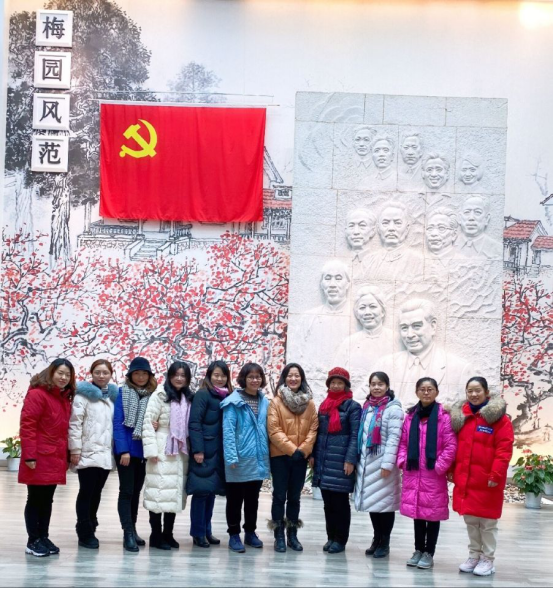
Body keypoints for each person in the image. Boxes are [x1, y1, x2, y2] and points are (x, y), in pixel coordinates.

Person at [450, 377, 514, 577]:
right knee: (471, 520)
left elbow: (504, 450)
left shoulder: (499, 419)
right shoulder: (462, 417)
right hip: (466, 479)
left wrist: (496, 473)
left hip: (487, 480)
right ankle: (474, 555)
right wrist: (452, 469)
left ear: (486, 392)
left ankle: (488, 558)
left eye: (478, 390)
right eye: (470, 391)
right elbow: (454, 446)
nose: (474, 394)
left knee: (487, 523)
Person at [397, 377, 457, 570]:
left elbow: (450, 446)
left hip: (433, 474)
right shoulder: (410, 416)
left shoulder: (444, 417)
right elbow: (403, 443)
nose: (426, 392)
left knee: (432, 514)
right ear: (416, 392)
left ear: (436, 392)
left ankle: (429, 552)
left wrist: (439, 466)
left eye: (430, 389)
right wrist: (403, 461)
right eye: (422, 389)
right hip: (414, 472)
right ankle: (418, 550)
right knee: (418, 513)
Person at [19, 359, 76, 557]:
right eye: (60, 373)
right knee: (35, 498)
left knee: (47, 499)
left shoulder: (63, 397)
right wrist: (29, 455)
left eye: (67, 375)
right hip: (38, 456)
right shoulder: (37, 394)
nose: (63, 377)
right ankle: (32, 540)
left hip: (55, 456)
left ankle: (43, 536)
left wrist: (66, 455)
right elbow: (28, 425)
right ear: (51, 373)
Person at [379, 298, 474, 405]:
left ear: (433, 326)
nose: (409, 335)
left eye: (416, 326)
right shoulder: (384, 365)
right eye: (404, 328)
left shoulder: (460, 369)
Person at [267, 363, 318, 553]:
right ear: (284, 378)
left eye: (297, 375)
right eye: (290, 375)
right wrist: (292, 449)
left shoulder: (310, 404)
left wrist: (302, 450)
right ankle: (279, 536)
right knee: (279, 496)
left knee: (295, 498)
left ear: (301, 378)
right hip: (280, 456)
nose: (293, 379)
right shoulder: (276, 402)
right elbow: (273, 430)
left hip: (300, 458)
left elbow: (313, 429)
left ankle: (292, 535)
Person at [142, 361, 193, 550]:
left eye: (183, 375)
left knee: (173, 493)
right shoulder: (160, 395)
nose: (179, 378)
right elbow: (148, 423)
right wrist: (151, 451)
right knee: (158, 492)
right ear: (169, 376)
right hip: (161, 447)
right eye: (176, 374)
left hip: (180, 450)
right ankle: (156, 535)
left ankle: (168, 534)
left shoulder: (188, 397)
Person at [69, 359, 119, 549]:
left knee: (97, 492)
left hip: (105, 453)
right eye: (97, 372)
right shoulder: (82, 396)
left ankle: (91, 523)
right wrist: (75, 449)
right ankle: (84, 530)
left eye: (105, 372)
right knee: (86, 492)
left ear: (111, 374)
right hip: (87, 452)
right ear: (91, 373)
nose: (101, 376)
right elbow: (74, 424)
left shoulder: (113, 397)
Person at [221, 362, 270, 553]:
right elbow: (228, 431)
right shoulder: (233, 402)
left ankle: (250, 532)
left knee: (252, 499)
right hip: (239, 459)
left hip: (258, 459)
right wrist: (231, 457)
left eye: (258, 377)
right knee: (234, 500)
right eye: (251, 377)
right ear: (244, 379)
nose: (255, 380)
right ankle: (234, 534)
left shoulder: (264, 401)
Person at [311, 367, 361, 554]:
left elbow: (355, 435)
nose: (336, 385)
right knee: (328, 503)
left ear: (346, 385)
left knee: (340, 504)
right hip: (324, 460)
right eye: (333, 382)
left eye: (340, 383)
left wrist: (350, 460)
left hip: (341, 461)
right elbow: (318, 433)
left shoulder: (352, 407)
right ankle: (330, 537)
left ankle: (340, 540)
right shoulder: (324, 405)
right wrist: (313, 455)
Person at [353, 371, 403, 559]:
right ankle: (376, 538)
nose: (376, 387)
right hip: (367, 463)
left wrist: (387, 464)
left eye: (380, 384)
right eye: (373, 384)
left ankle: (385, 542)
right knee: (373, 503)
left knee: (385, 505)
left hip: (383, 463)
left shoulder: (393, 409)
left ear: (387, 386)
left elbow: (394, 438)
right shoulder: (368, 407)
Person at [113, 356, 157, 552]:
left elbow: (156, 417)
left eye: (144, 373)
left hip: (143, 450)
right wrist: (123, 450)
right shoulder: (122, 393)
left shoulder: (153, 395)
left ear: (149, 375)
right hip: (126, 452)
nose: (140, 377)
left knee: (136, 492)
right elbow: (118, 423)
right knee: (127, 491)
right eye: (137, 373)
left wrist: (156, 423)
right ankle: (127, 533)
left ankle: (133, 528)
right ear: (130, 375)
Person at [187, 360, 231, 548]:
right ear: (209, 376)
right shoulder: (203, 394)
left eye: (223, 375)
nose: (219, 379)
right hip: (204, 451)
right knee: (201, 492)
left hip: (219, 452)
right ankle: (197, 533)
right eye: (216, 375)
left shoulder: (227, 396)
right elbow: (194, 423)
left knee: (211, 492)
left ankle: (207, 530)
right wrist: (198, 450)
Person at [334, 286, 393, 400]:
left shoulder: (395, 339)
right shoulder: (349, 343)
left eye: (373, 307)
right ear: (357, 313)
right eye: (362, 308)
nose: (367, 312)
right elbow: (336, 378)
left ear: (382, 311)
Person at [361, 202, 424, 282]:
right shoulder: (368, 261)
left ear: (407, 228)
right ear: (378, 228)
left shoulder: (419, 262)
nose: (391, 228)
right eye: (385, 223)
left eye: (397, 223)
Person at [455, 195, 503, 260]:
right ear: (460, 218)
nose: (471, 218)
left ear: (487, 218)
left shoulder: (497, 250)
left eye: (477, 212)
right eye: (467, 212)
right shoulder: (448, 246)